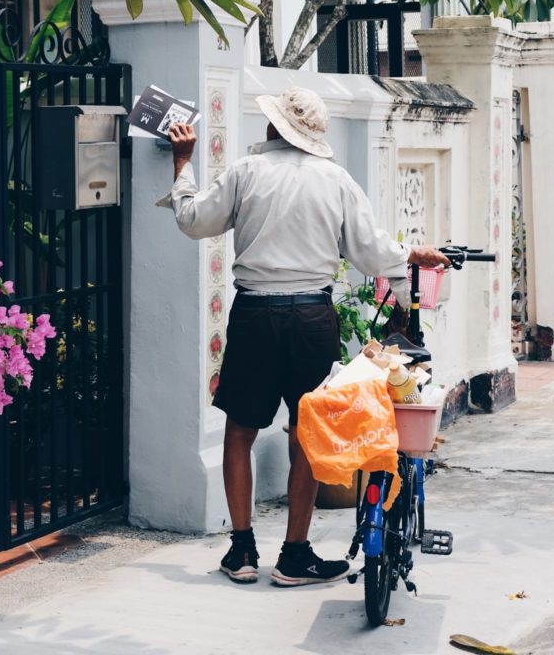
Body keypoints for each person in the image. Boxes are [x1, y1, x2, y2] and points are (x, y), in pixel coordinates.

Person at [157, 87, 449, 587]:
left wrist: (183, 162)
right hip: (312, 318)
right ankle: (294, 556)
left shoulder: (246, 172)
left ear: (272, 126)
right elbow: (372, 252)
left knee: (240, 431)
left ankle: (242, 551)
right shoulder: (335, 179)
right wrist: (413, 255)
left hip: (254, 314)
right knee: (307, 433)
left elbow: (193, 220)